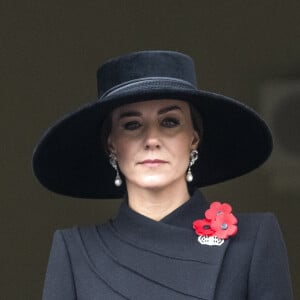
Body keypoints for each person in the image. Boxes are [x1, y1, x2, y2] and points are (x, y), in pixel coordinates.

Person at [33, 50, 293, 299]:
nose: (152, 139)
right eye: (132, 125)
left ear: (193, 138)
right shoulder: (74, 251)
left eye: (170, 122)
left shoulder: (254, 239)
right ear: (112, 143)